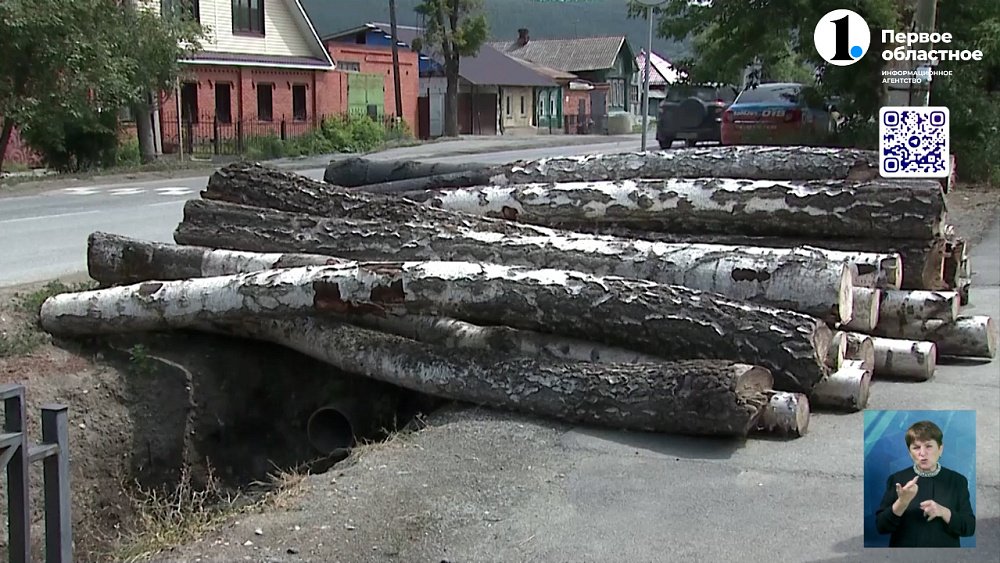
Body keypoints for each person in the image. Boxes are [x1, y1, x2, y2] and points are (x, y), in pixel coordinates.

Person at [875, 420, 976, 547]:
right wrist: (902, 502)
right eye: (916, 447)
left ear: (940, 449)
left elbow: (969, 528)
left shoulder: (957, 481)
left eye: (928, 446)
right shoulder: (897, 480)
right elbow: (881, 527)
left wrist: (943, 511)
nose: (922, 453)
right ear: (909, 452)